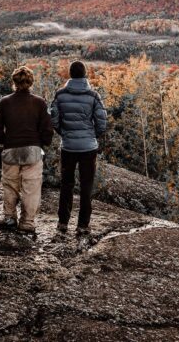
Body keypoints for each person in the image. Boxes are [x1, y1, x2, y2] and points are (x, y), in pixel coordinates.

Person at [0, 66, 52, 235]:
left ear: (14, 82)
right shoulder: (39, 102)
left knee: (10, 186)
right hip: (33, 150)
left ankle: (10, 218)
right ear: (31, 82)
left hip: (11, 150)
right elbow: (47, 128)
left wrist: (2, 141)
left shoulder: (4, 102)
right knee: (31, 188)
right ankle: (27, 222)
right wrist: (42, 143)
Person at [50, 60, 107, 236]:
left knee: (66, 184)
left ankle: (62, 223)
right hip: (88, 148)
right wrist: (92, 136)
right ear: (85, 75)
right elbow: (102, 122)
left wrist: (64, 133)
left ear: (70, 75)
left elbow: (54, 119)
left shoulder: (60, 95)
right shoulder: (93, 96)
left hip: (68, 147)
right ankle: (83, 225)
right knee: (86, 186)